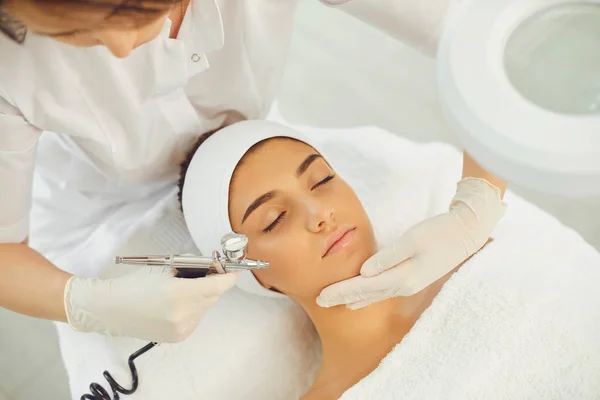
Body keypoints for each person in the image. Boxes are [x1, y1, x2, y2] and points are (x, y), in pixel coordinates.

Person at [0, 0, 506, 344]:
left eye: (322, 178)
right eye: (70, 36)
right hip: (93, 213)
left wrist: (479, 200)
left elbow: (475, 35)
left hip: (247, 146)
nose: (119, 50)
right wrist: (87, 302)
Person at [180, 120, 600, 400]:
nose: (319, 213)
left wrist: (476, 206)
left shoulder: (486, 258)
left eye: (322, 180)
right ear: (255, 275)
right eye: (274, 220)